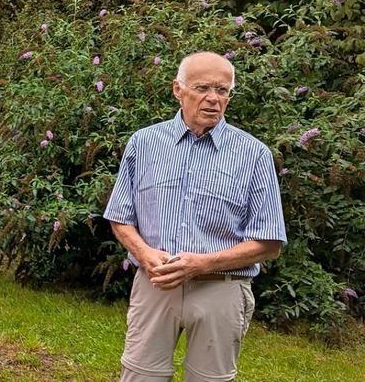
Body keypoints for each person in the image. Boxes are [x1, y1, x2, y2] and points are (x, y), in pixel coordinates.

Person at [103, 51, 287, 382]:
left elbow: (269, 242)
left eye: (223, 90)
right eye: (203, 88)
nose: (213, 99)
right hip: (155, 286)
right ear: (178, 89)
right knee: (139, 377)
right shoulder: (144, 144)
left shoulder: (253, 154)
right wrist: (144, 254)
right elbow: (120, 216)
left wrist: (202, 264)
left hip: (221, 290)